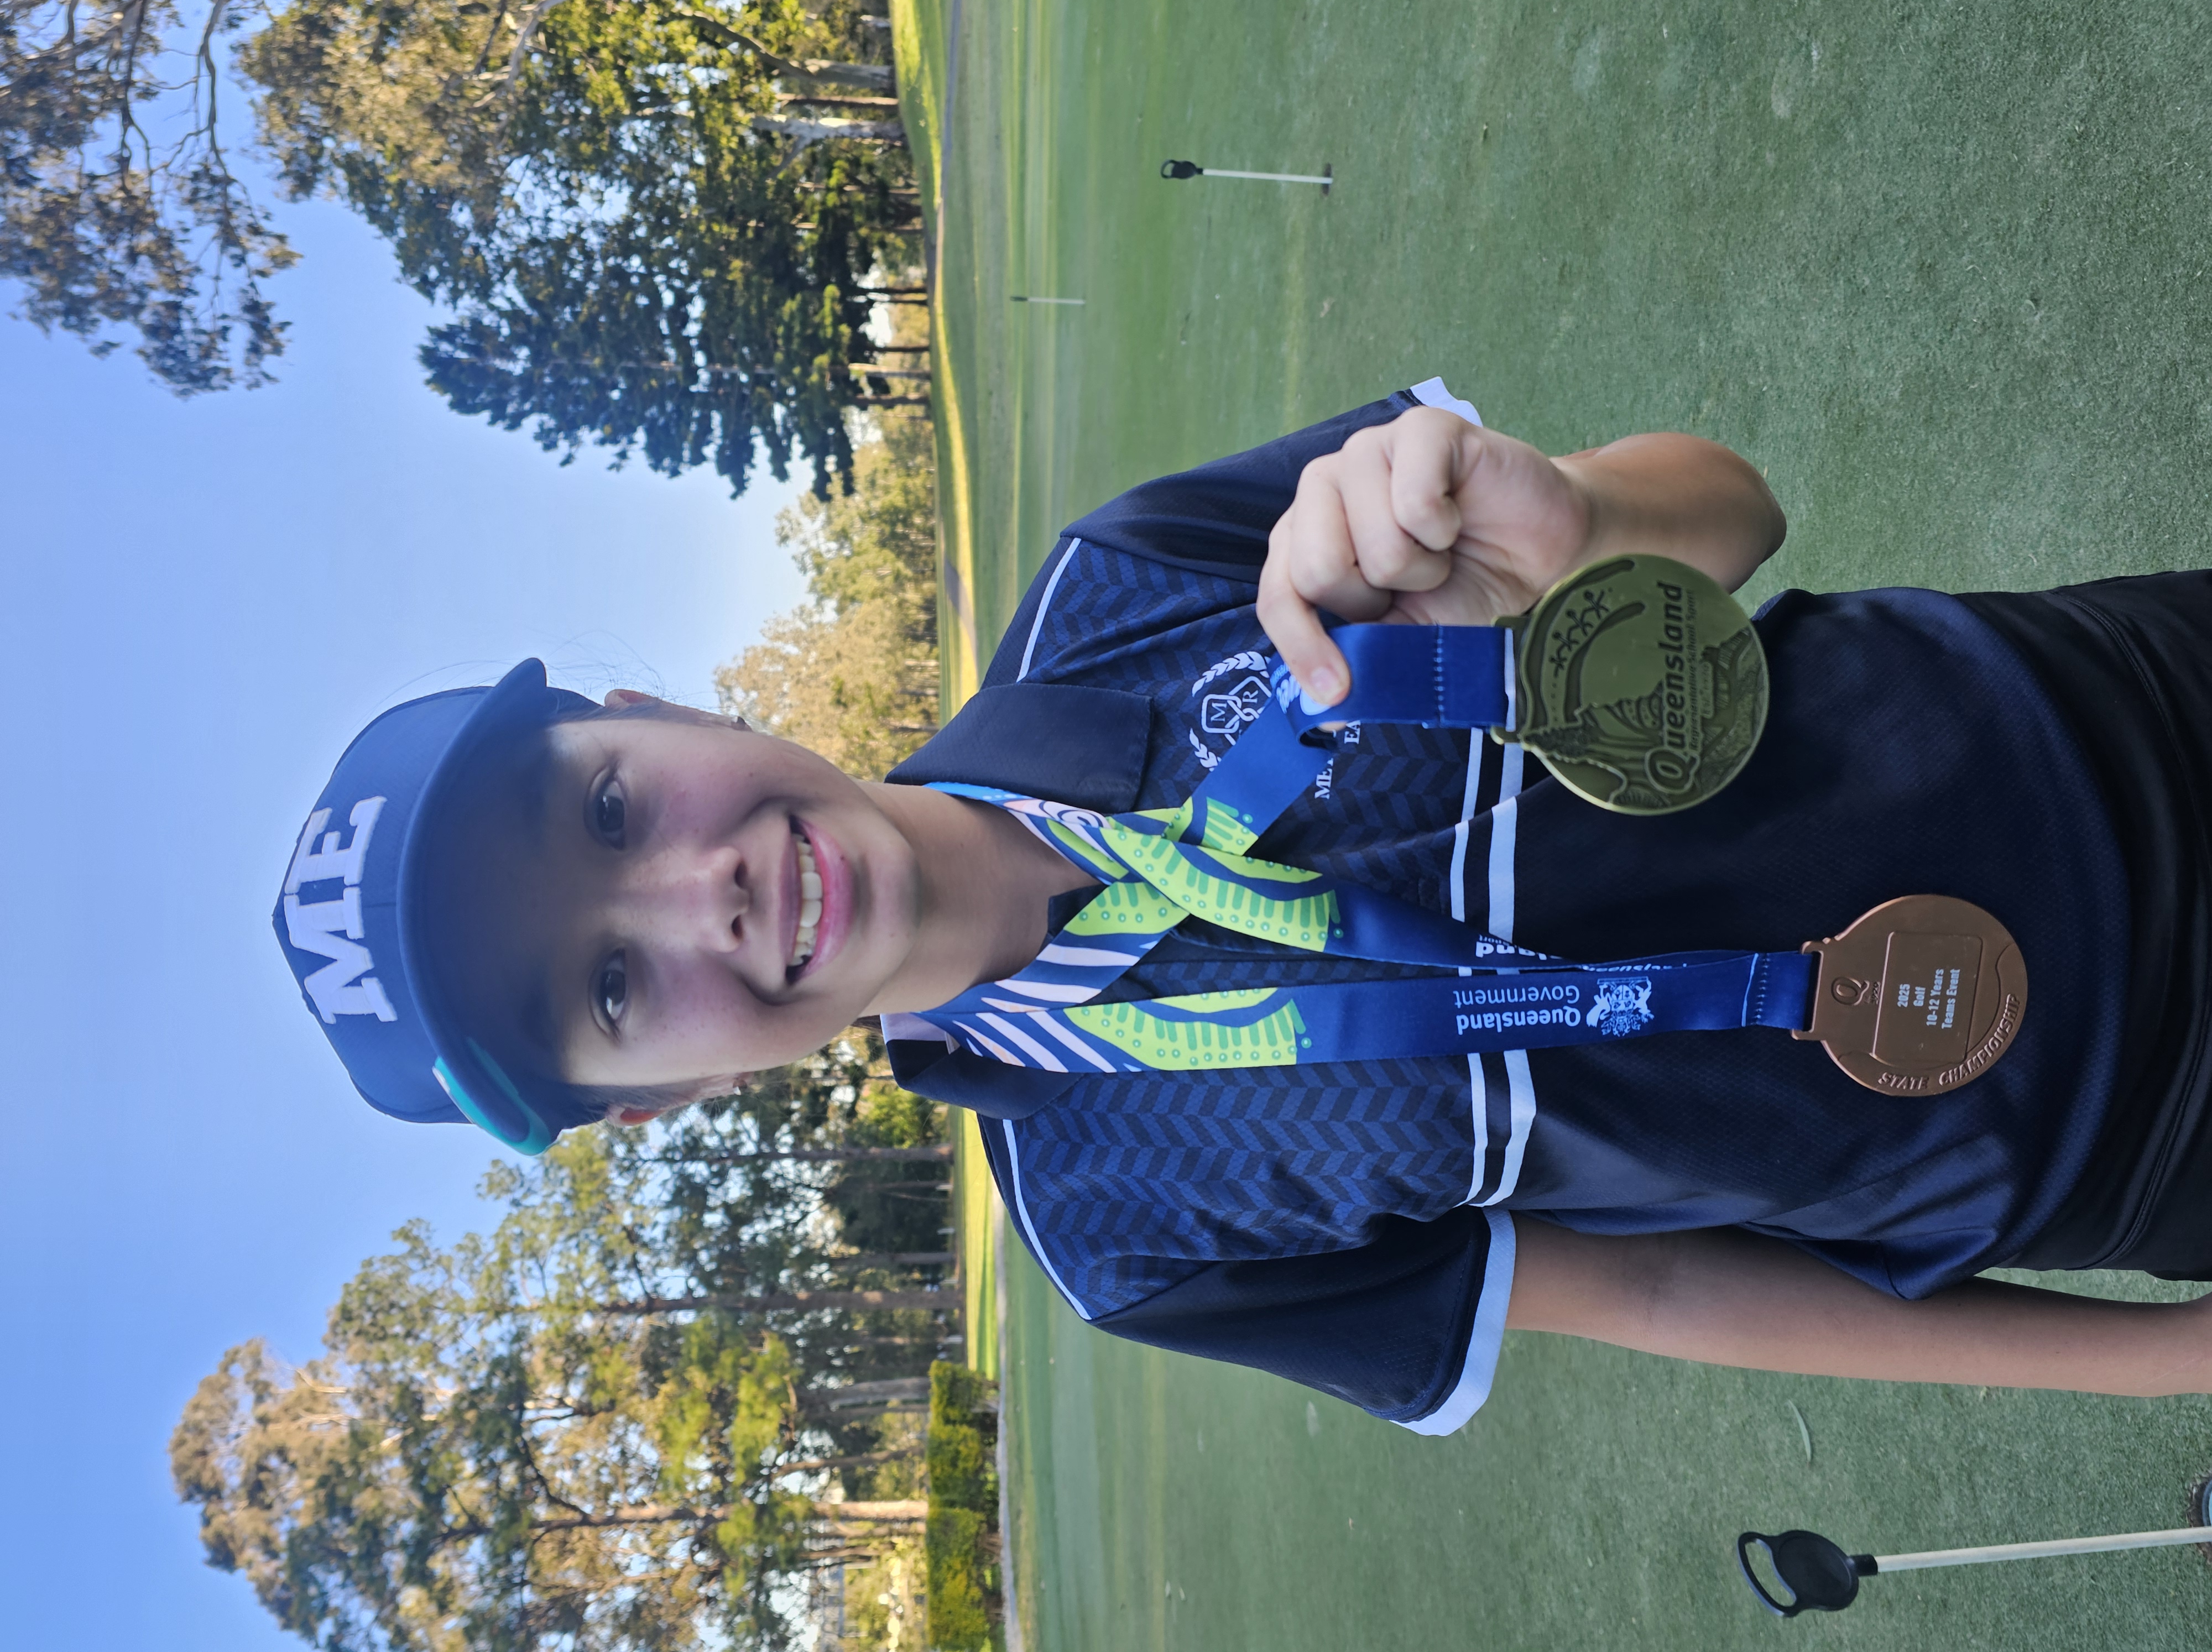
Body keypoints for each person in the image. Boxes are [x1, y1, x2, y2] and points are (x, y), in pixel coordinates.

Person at [273, 379, 2212, 1434]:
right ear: (652, 1103)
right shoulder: (1123, 1247)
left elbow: (1726, 512)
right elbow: (1668, 1289)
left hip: (2121, 709)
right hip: (2131, 1137)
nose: (699, 889)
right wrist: (2173, 1362)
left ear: (645, 712)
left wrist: (1572, 522)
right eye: (613, 985)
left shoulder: (1118, 583)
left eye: (611, 804)